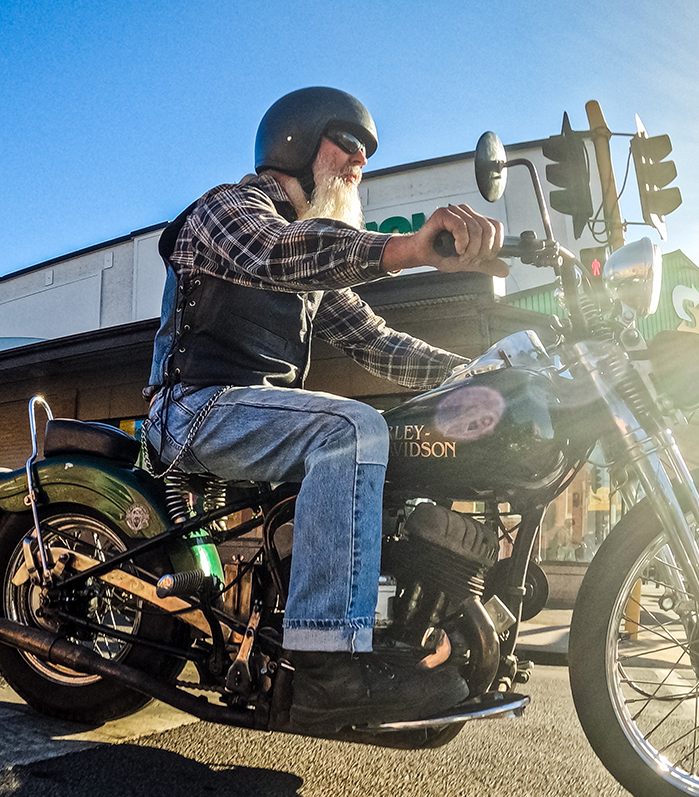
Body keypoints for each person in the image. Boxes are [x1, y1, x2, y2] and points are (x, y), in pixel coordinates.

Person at [144, 86, 508, 734]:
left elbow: (376, 342)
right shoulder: (231, 209)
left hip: (255, 418)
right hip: (193, 408)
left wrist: (482, 377)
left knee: (391, 438)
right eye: (348, 145)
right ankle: (323, 671)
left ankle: (390, 630)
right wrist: (409, 250)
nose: (359, 161)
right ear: (296, 140)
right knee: (349, 428)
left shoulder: (314, 257)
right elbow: (278, 254)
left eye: (366, 152)